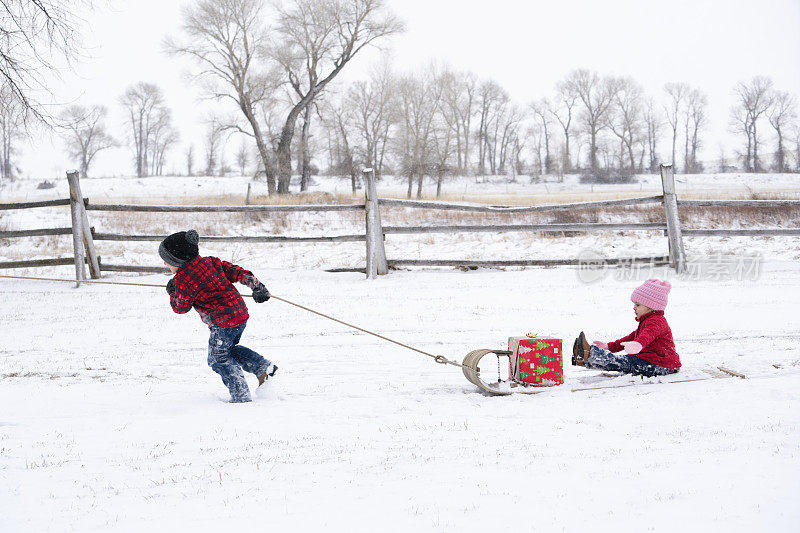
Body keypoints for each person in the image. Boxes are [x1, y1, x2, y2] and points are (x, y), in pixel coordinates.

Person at [159, 229, 277, 403]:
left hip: (223, 324)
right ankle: (263, 368)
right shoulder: (211, 262)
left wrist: (173, 292)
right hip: (240, 315)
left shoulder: (183, 280)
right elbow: (237, 272)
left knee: (217, 359)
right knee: (228, 350)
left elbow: (181, 307)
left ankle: (241, 395)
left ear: (178, 260)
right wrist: (257, 286)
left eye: (167, 260)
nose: (164, 264)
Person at [572, 279, 681, 377]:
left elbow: (646, 336)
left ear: (651, 306)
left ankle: (589, 354)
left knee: (624, 362)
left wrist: (638, 344)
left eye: (638, 305)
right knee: (624, 363)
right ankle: (585, 360)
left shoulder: (656, 321)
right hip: (653, 362)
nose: (634, 308)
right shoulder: (647, 321)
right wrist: (609, 347)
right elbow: (630, 338)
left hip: (662, 364)